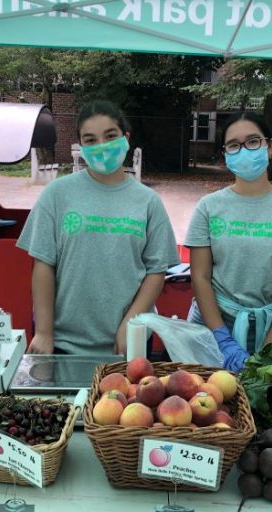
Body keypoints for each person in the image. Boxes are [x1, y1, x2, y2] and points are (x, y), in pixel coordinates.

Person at [17, 100, 179, 356]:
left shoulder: (148, 201)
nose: (101, 146)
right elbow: (43, 265)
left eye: (110, 136)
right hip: (64, 343)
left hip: (128, 342)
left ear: (126, 138)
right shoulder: (57, 194)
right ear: (81, 146)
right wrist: (44, 332)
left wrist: (131, 323)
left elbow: (156, 271)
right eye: (90, 140)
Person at [185, 112, 272, 372]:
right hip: (212, 330)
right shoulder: (208, 208)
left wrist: (268, 351)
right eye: (234, 145)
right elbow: (200, 278)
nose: (243, 150)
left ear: (269, 147)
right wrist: (222, 339)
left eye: (253, 142)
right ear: (225, 155)